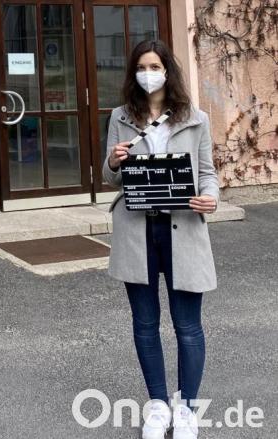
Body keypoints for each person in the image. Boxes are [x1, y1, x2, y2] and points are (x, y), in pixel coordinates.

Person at [103, 40, 218, 439]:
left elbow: (208, 173)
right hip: (137, 230)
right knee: (145, 323)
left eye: (154, 65)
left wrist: (212, 199)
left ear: (168, 70)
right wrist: (114, 161)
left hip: (183, 228)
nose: (147, 72)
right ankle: (156, 404)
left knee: (188, 326)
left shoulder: (196, 118)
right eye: (140, 66)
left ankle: (185, 406)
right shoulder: (120, 116)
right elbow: (111, 176)